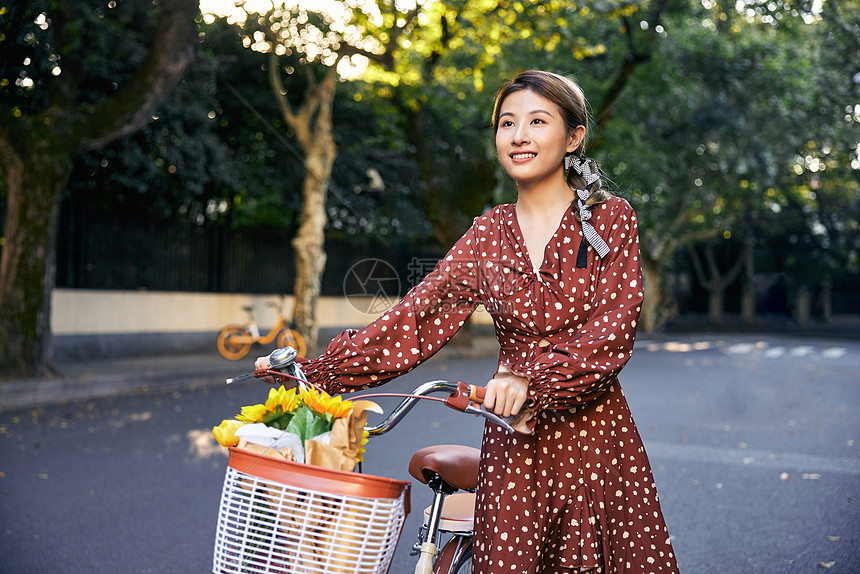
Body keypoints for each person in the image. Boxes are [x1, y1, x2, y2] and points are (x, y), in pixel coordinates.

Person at [256, 70, 680, 573]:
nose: (519, 136)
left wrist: (532, 384)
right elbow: (419, 316)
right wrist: (317, 372)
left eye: (537, 121)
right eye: (506, 123)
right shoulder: (488, 233)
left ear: (573, 137)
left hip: (597, 440)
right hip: (513, 446)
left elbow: (611, 330)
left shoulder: (610, 220)